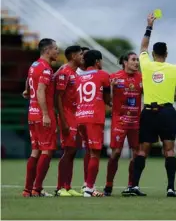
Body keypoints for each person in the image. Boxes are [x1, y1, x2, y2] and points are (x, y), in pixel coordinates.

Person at [129, 13, 176, 197]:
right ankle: (170, 188)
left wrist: (149, 26)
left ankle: (135, 186)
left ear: (153, 54)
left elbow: (143, 45)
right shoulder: (175, 68)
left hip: (149, 112)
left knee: (143, 149)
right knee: (169, 149)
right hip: (167, 112)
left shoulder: (146, 64)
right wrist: (168, 97)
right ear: (166, 54)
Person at [22, 38, 59, 197]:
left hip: (32, 112)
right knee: (47, 151)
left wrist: (26, 91)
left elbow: (29, 81)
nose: (57, 51)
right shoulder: (46, 68)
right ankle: (37, 189)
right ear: (48, 50)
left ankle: (27, 189)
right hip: (43, 113)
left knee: (35, 151)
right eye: (55, 49)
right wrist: (45, 114)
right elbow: (40, 91)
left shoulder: (34, 65)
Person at [103, 52, 142, 196]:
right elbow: (107, 100)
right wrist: (111, 89)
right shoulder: (114, 77)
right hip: (119, 121)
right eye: (133, 60)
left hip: (136, 122)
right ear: (125, 62)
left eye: (137, 60)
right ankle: (108, 185)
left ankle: (131, 185)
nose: (136, 62)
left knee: (137, 154)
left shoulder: (141, 78)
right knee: (116, 153)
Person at [76, 50, 110, 197]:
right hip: (94, 118)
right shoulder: (103, 75)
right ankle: (89, 189)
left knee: (89, 152)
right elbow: (108, 100)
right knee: (95, 154)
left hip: (80, 117)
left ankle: (88, 185)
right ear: (97, 62)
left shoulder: (78, 77)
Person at [55, 46, 84, 197]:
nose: (82, 57)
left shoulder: (75, 74)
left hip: (76, 116)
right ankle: (60, 188)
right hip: (67, 116)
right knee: (68, 151)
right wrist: (63, 121)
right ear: (73, 56)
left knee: (73, 152)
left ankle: (68, 185)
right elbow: (57, 97)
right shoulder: (64, 72)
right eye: (80, 54)